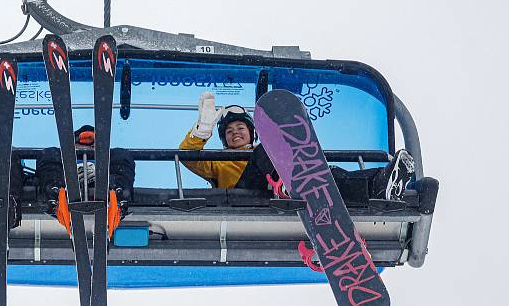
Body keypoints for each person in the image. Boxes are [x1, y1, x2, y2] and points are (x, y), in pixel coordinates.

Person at [179, 92, 415, 201]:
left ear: (251, 133)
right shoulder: (218, 161)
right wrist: (202, 130)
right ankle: (287, 185)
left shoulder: (264, 151)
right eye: (229, 132)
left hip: (285, 175)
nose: (235, 133)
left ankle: (378, 184)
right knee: (268, 149)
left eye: (240, 128)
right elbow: (188, 158)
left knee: (326, 173)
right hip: (247, 193)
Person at [36, 125, 136, 229]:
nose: (88, 149)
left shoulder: (109, 159)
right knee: (49, 154)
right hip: (67, 182)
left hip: (103, 183)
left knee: (121, 154)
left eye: (93, 145)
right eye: (82, 144)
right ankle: (55, 194)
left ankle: (118, 196)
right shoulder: (60, 158)